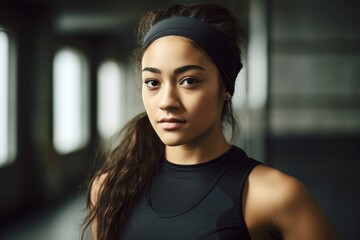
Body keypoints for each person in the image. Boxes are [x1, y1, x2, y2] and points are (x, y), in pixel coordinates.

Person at [82, 3, 339, 240]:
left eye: (189, 81)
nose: (167, 101)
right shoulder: (109, 190)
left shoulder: (275, 196)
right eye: (153, 82)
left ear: (225, 87)